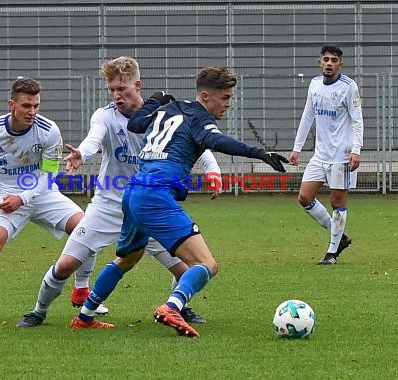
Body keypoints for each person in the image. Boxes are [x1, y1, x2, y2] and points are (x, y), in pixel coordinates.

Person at [69, 66, 287, 337]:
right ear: (206, 97)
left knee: (127, 259)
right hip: (156, 196)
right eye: (226, 98)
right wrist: (260, 153)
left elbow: (135, 124)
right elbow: (216, 140)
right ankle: (173, 306)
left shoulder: (168, 109)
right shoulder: (199, 119)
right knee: (206, 264)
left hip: (134, 191)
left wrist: (155, 99)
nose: (228, 104)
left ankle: (85, 316)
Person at [16, 56, 221, 329]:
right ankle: (38, 312)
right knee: (65, 265)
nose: (116, 96)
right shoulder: (105, 116)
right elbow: (94, 137)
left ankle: (181, 307)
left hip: (150, 206)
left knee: (189, 268)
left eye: (121, 89)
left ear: (138, 85)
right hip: (109, 205)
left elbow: (196, 141)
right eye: (111, 89)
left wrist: (213, 170)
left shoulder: (163, 114)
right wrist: (82, 155)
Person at [0, 77, 94, 324]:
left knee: (86, 228)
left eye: (36, 105)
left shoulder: (49, 130)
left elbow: (49, 175)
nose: (33, 112)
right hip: (7, 196)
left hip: (42, 194)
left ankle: (81, 289)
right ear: (12, 104)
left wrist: (23, 198)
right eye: (27, 106)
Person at [288, 44, 364, 265]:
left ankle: (332, 253)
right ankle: (338, 237)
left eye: (334, 60)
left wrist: (357, 150)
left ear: (341, 64)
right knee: (304, 197)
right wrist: (297, 148)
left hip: (342, 155)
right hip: (320, 155)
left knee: (336, 202)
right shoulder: (313, 85)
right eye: (326, 59)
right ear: (319, 62)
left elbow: (358, 121)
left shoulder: (349, 87)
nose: (329, 63)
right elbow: (307, 116)